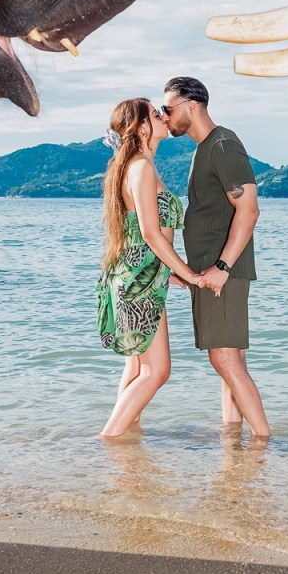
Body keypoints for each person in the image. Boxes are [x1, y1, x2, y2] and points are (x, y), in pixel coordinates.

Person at [97, 97, 215, 438]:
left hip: (139, 274)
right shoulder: (141, 168)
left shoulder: (137, 166)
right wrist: (190, 274)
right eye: (154, 113)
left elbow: (140, 234)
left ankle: (126, 441)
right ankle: (109, 438)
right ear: (141, 128)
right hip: (140, 280)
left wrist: (171, 272)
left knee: (137, 366)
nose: (163, 116)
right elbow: (150, 233)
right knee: (157, 370)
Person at [160, 76, 270, 437]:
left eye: (167, 108)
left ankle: (263, 441)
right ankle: (233, 437)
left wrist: (223, 267)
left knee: (223, 357)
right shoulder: (204, 147)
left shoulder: (223, 144)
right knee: (230, 359)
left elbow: (249, 210)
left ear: (191, 106)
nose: (164, 116)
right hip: (210, 270)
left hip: (222, 271)